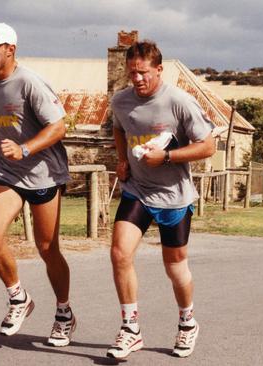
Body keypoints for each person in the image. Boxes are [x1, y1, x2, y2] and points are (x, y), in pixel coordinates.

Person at [106, 40, 216, 360]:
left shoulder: (179, 102)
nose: (137, 79)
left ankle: (187, 322)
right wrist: (122, 159)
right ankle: (131, 329)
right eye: (132, 74)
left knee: (175, 266)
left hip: (174, 197)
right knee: (119, 253)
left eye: (143, 73)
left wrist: (166, 157)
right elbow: (119, 129)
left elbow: (207, 146)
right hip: (137, 189)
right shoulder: (121, 101)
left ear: (158, 69)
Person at [0, 23, 75, 347]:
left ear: (10, 50)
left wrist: (25, 148)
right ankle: (18, 298)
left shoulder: (30, 82)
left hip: (44, 172)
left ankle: (64, 314)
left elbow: (58, 128)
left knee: (47, 249)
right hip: (8, 172)